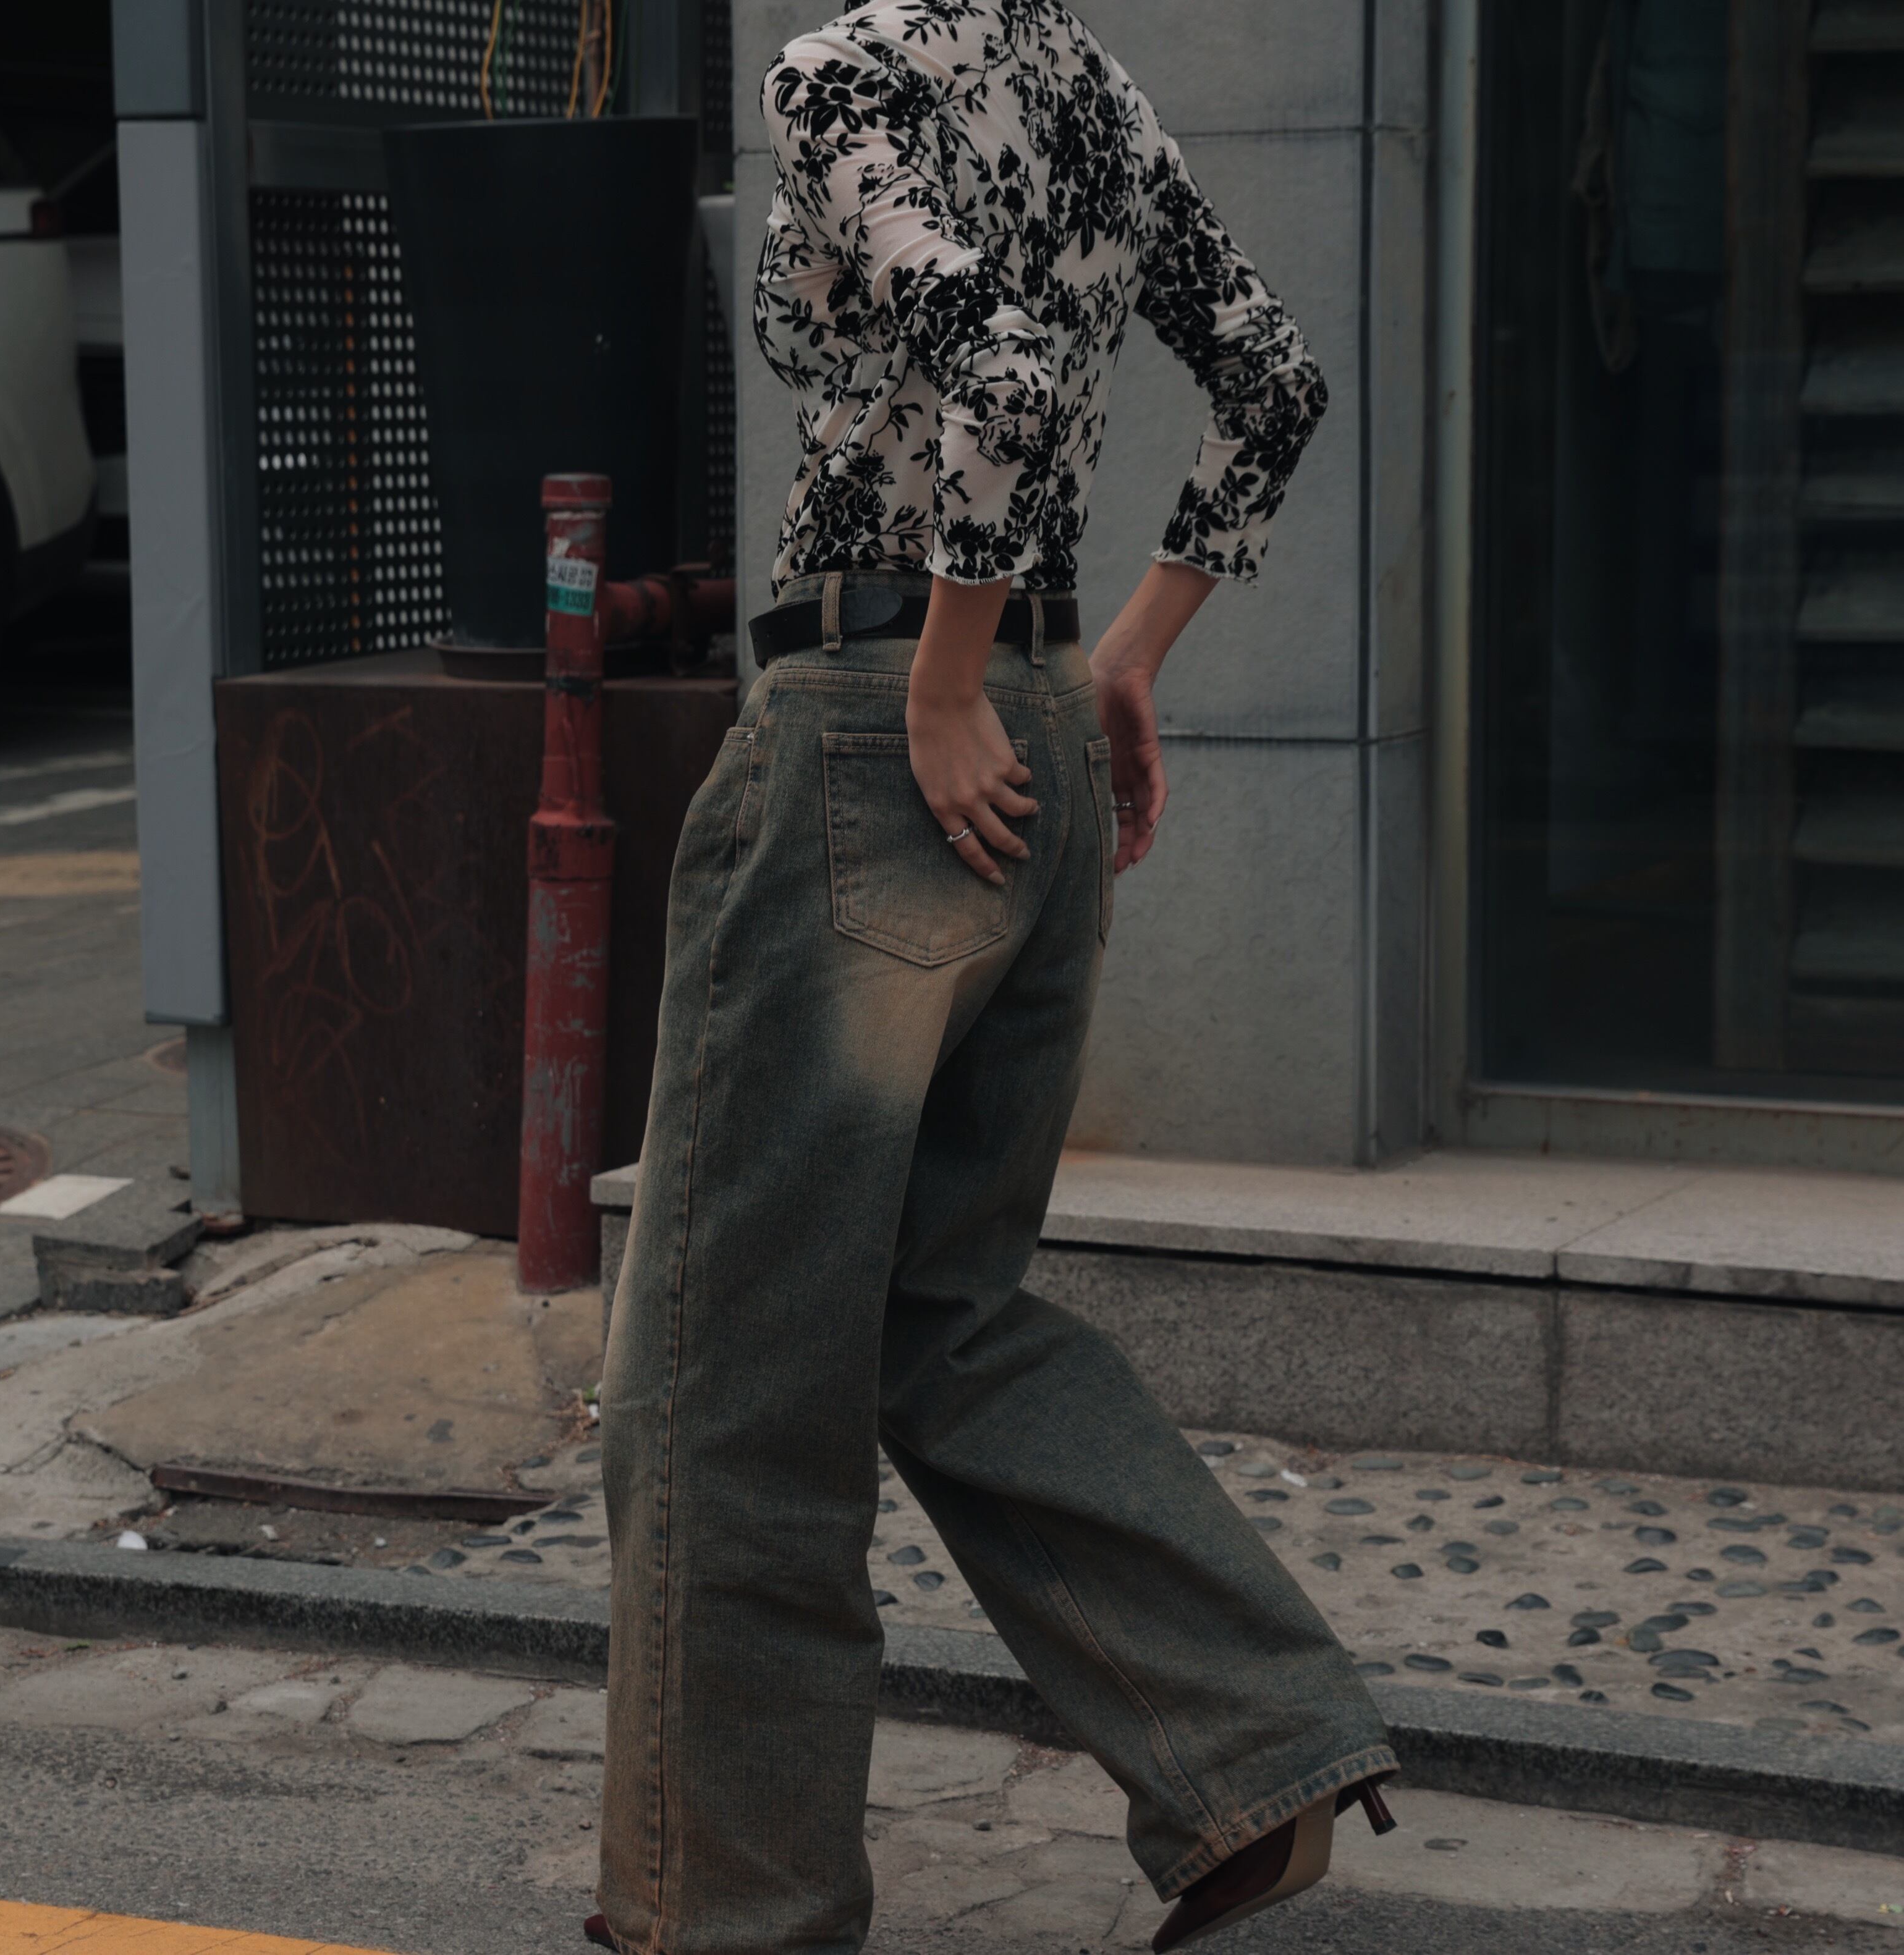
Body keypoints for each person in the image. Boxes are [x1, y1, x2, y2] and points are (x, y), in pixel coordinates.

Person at [590, 6, 1398, 1951]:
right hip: (1031, 738)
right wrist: (1113, 658)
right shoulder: (1095, 91)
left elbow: (1007, 373)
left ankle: (733, 1911)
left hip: (882, 732)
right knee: (938, 1314)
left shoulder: (841, 72)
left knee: (719, 1372)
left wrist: (942, 684)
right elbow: (1271, 379)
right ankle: (1255, 1743)